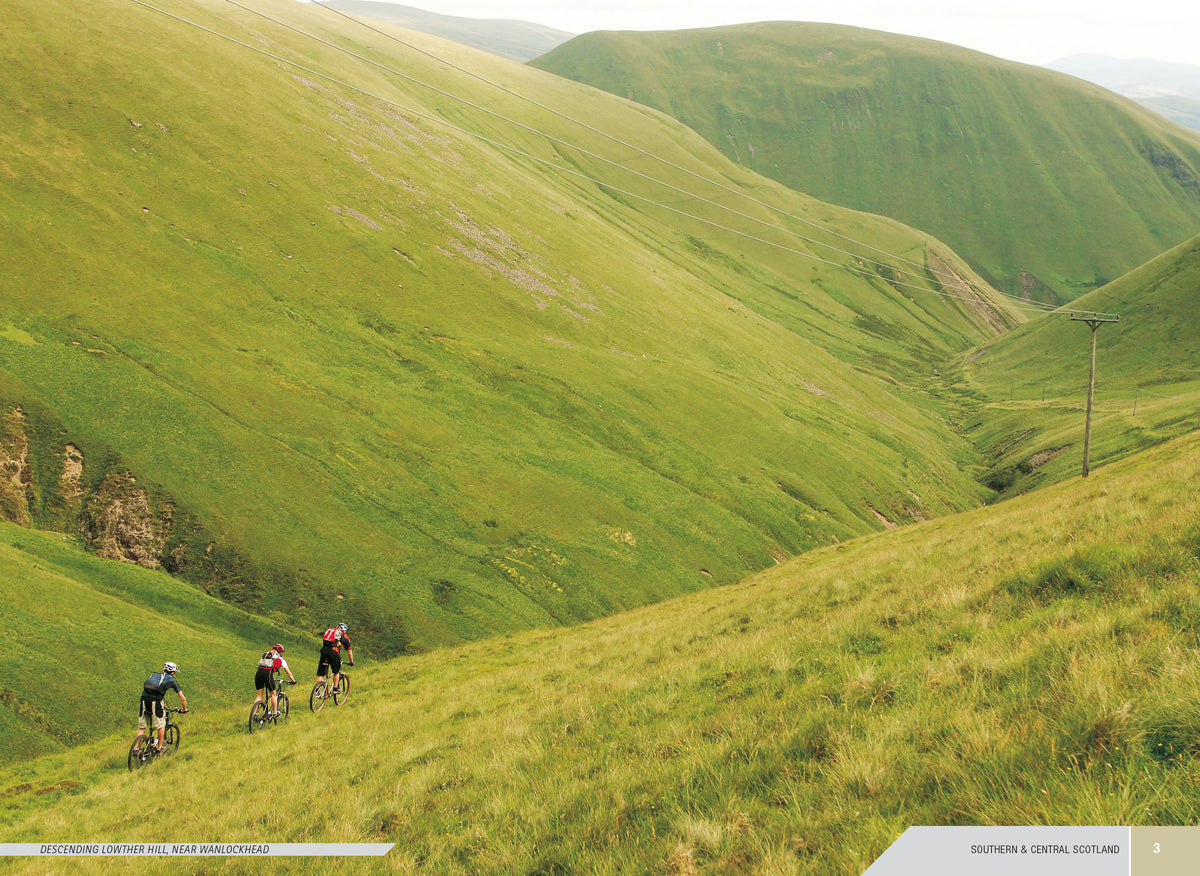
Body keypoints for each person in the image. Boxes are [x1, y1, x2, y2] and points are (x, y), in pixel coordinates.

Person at [137, 661, 188, 752]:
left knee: (142, 727)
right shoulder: (171, 680)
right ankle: (159, 748)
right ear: (172, 672)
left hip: (144, 699)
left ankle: (136, 748)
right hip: (155, 702)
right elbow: (183, 698)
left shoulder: (155, 675)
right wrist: (184, 709)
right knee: (161, 725)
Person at [254, 643, 296, 718]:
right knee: (273, 693)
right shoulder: (280, 659)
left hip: (259, 673)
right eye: (282, 652)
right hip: (267, 674)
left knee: (259, 695)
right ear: (280, 652)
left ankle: (254, 714)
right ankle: (275, 713)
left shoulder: (266, 655)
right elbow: (288, 672)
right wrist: (293, 680)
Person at [317, 622, 354, 698]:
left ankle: (317, 691)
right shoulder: (344, 636)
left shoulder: (331, 631)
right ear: (344, 630)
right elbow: (349, 651)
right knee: (336, 671)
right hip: (333, 652)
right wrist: (351, 662)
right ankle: (335, 688)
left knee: (321, 673)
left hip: (324, 651)